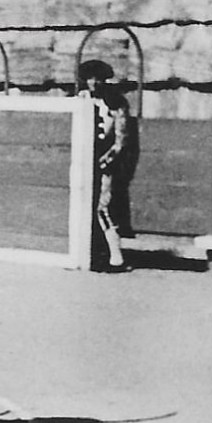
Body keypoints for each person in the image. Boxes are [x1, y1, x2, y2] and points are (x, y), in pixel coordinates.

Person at [79, 59, 138, 272]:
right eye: (89, 78)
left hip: (104, 163)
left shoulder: (116, 102)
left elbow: (121, 139)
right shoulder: (81, 99)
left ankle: (116, 258)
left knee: (103, 208)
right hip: (83, 160)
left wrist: (106, 160)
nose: (93, 82)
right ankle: (92, 254)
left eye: (97, 78)